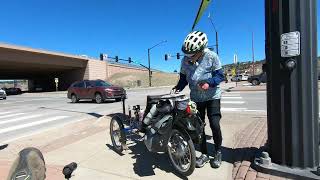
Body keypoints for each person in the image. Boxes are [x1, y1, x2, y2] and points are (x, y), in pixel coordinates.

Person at [172, 31, 224, 168]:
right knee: (198, 127)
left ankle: (218, 152)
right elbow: (183, 79)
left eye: (192, 54)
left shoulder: (212, 57)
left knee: (214, 124)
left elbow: (220, 76)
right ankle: (205, 154)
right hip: (196, 97)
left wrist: (210, 82)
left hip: (213, 96)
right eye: (187, 54)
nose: (188, 57)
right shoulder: (184, 61)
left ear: (201, 50)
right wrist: (178, 87)